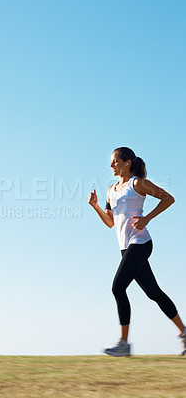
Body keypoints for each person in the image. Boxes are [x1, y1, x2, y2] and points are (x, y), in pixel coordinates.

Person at [88, 147, 186, 357]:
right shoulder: (111, 190)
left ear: (127, 162)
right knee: (154, 293)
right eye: (111, 162)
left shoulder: (137, 184)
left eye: (115, 161)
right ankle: (184, 332)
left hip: (140, 244)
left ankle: (124, 343)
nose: (111, 165)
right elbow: (110, 223)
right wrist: (96, 206)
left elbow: (168, 198)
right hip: (126, 248)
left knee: (117, 287)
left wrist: (147, 218)